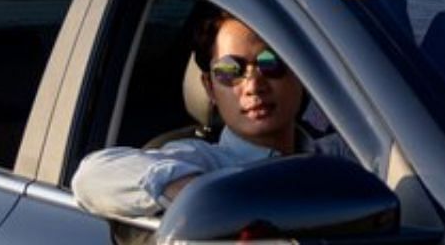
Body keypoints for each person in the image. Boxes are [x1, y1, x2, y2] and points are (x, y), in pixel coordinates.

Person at [71, 12, 352, 219]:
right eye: (230, 70)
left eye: (270, 62)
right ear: (210, 88)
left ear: (302, 74)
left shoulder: (343, 156)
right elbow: (90, 176)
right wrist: (201, 194)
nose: (253, 86)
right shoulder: (205, 162)